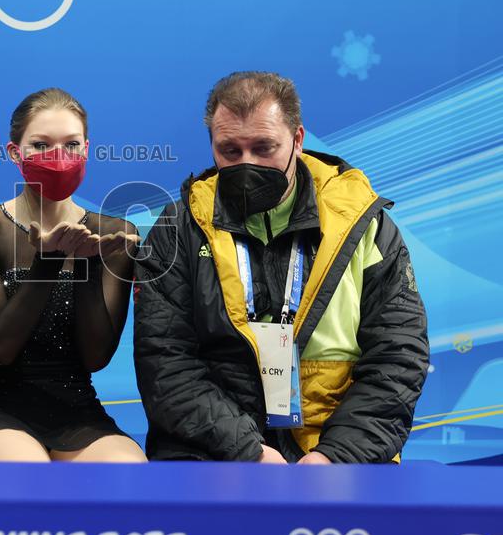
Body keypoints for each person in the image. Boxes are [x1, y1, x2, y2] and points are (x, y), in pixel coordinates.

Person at [134, 71, 429, 464]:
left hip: (338, 450)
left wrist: (335, 456)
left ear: (298, 140)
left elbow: (398, 357)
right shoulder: (177, 230)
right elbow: (164, 363)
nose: (247, 163)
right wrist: (248, 451)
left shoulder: (365, 227)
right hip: (211, 453)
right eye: (230, 151)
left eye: (263, 147)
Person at [0, 88, 147, 462]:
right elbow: (0, 349)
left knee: (127, 471)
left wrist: (88, 260)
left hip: (79, 409)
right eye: (41, 145)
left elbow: (96, 356)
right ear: (15, 153)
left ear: (86, 151)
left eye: (70, 145)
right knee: (24, 472)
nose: (58, 158)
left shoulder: (116, 232)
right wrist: (48, 261)